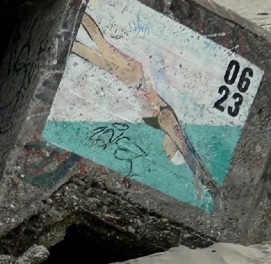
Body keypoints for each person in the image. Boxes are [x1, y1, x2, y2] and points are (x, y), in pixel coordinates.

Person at [71, 13, 218, 202]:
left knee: (91, 55)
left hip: (130, 80)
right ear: (173, 147)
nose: (164, 150)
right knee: (101, 44)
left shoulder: (162, 124)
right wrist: (205, 182)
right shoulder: (168, 122)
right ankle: (79, 9)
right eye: (168, 151)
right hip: (134, 76)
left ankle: (70, 31)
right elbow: (189, 154)